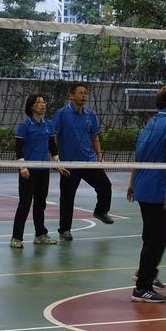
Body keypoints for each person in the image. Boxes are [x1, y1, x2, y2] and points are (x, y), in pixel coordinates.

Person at [127, 85, 166, 304]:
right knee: (153, 238)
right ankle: (142, 287)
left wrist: (132, 183)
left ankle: (148, 272)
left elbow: (138, 156)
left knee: (165, 226)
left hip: (143, 186)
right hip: (155, 190)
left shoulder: (151, 123)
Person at [52, 83, 114, 239]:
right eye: (80, 93)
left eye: (85, 93)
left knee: (105, 185)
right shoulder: (62, 114)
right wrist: (54, 159)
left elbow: (94, 136)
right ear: (72, 96)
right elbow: (52, 136)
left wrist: (99, 155)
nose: (83, 95)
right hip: (69, 164)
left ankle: (101, 211)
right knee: (67, 198)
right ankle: (64, 230)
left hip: (88, 161)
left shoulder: (90, 115)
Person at [11, 93, 65, 247]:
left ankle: (40, 235)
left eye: (43, 102)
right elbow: (18, 149)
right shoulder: (25, 125)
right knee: (25, 203)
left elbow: (52, 147)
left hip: (43, 169)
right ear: (31, 106)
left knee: (40, 203)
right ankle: (16, 237)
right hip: (28, 170)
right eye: (39, 102)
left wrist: (57, 163)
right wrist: (23, 167)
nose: (43, 104)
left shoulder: (48, 124)